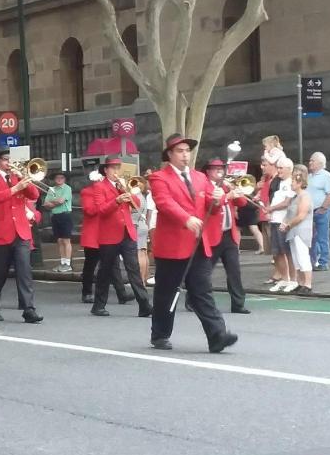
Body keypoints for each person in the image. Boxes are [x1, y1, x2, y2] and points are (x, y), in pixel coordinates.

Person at [147, 134, 237, 353]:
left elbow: (211, 208)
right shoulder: (159, 178)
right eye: (180, 151)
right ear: (169, 154)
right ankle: (160, 334)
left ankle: (217, 335)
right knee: (166, 292)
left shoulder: (200, 177)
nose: (185, 155)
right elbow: (164, 203)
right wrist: (186, 218)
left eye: (187, 150)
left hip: (197, 244)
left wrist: (217, 199)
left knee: (202, 290)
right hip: (172, 246)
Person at [0, 150, 42, 323]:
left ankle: (28, 309)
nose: (9, 163)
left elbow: (34, 195)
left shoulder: (18, 177)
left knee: (24, 271)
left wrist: (24, 179)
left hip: (21, 232)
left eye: (10, 160)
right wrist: (15, 188)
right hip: (1, 233)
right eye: (5, 160)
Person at [89, 157, 151, 318]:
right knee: (105, 270)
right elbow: (101, 210)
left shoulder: (123, 185)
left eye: (118, 168)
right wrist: (116, 201)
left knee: (134, 269)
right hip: (109, 235)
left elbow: (137, 205)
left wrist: (126, 190)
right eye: (113, 168)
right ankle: (98, 305)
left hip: (127, 232)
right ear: (106, 170)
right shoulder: (99, 187)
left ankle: (144, 305)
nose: (116, 171)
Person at [201, 158, 249, 313]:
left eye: (221, 169)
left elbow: (242, 203)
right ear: (208, 171)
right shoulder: (206, 187)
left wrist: (234, 189)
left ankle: (238, 304)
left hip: (229, 234)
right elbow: (213, 207)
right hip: (213, 235)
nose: (219, 171)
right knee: (205, 271)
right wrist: (227, 196)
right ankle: (194, 299)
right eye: (215, 169)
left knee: (234, 270)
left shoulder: (226, 186)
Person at [280, 164, 314, 294]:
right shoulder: (295, 197)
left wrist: (288, 225)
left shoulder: (304, 196)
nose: (291, 184)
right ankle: (300, 283)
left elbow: (301, 216)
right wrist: (284, 223)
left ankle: (308, 284)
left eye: (293, 181)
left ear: (299, 183)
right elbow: (290, 213)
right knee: (296, 258)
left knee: (303, 256)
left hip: (301, 231)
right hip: (293, 232)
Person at [267, 157, 297, 293]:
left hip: (284, 221)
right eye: (278, 168)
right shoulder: (278, 182)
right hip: (274, 220)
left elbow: (287, 203)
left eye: (281, 168)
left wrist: (271, 208)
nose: (278, 170)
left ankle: (293, 279)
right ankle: (284, 278)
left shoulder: (292, 183)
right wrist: (269, 210)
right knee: (277, 252)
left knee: (287, 252)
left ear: (289, 169)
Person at [78, 165, 103, 304]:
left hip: (106, 233)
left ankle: (120, 292)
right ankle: (86, 292)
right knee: (90, 265)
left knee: (112, 265)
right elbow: (89, 210)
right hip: (93, 234)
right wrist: (101, 200)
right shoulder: (87, 192)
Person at [307, 152, 330, 271]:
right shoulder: (308, 176)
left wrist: (323, 208)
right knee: (312, 238)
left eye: (312, 160)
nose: (310, 163)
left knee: (322, 237)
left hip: (322, 211)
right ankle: (314, 261)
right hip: (309, 211)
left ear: (320, 163)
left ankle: (323, 262)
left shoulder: (326, 176)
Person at [44, 172, 74, 272]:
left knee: (66, 240)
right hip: (55, 216)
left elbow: (61, 201)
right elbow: (46, 204)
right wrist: (56, 202)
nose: (59, 179)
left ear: (64, 179)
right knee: (60, 240)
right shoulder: (51, 189)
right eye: (57, 177)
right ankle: (62, 262)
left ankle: (68, 264)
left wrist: (52, 202)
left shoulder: (67, 188)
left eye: (62, 177)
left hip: (65, 215)